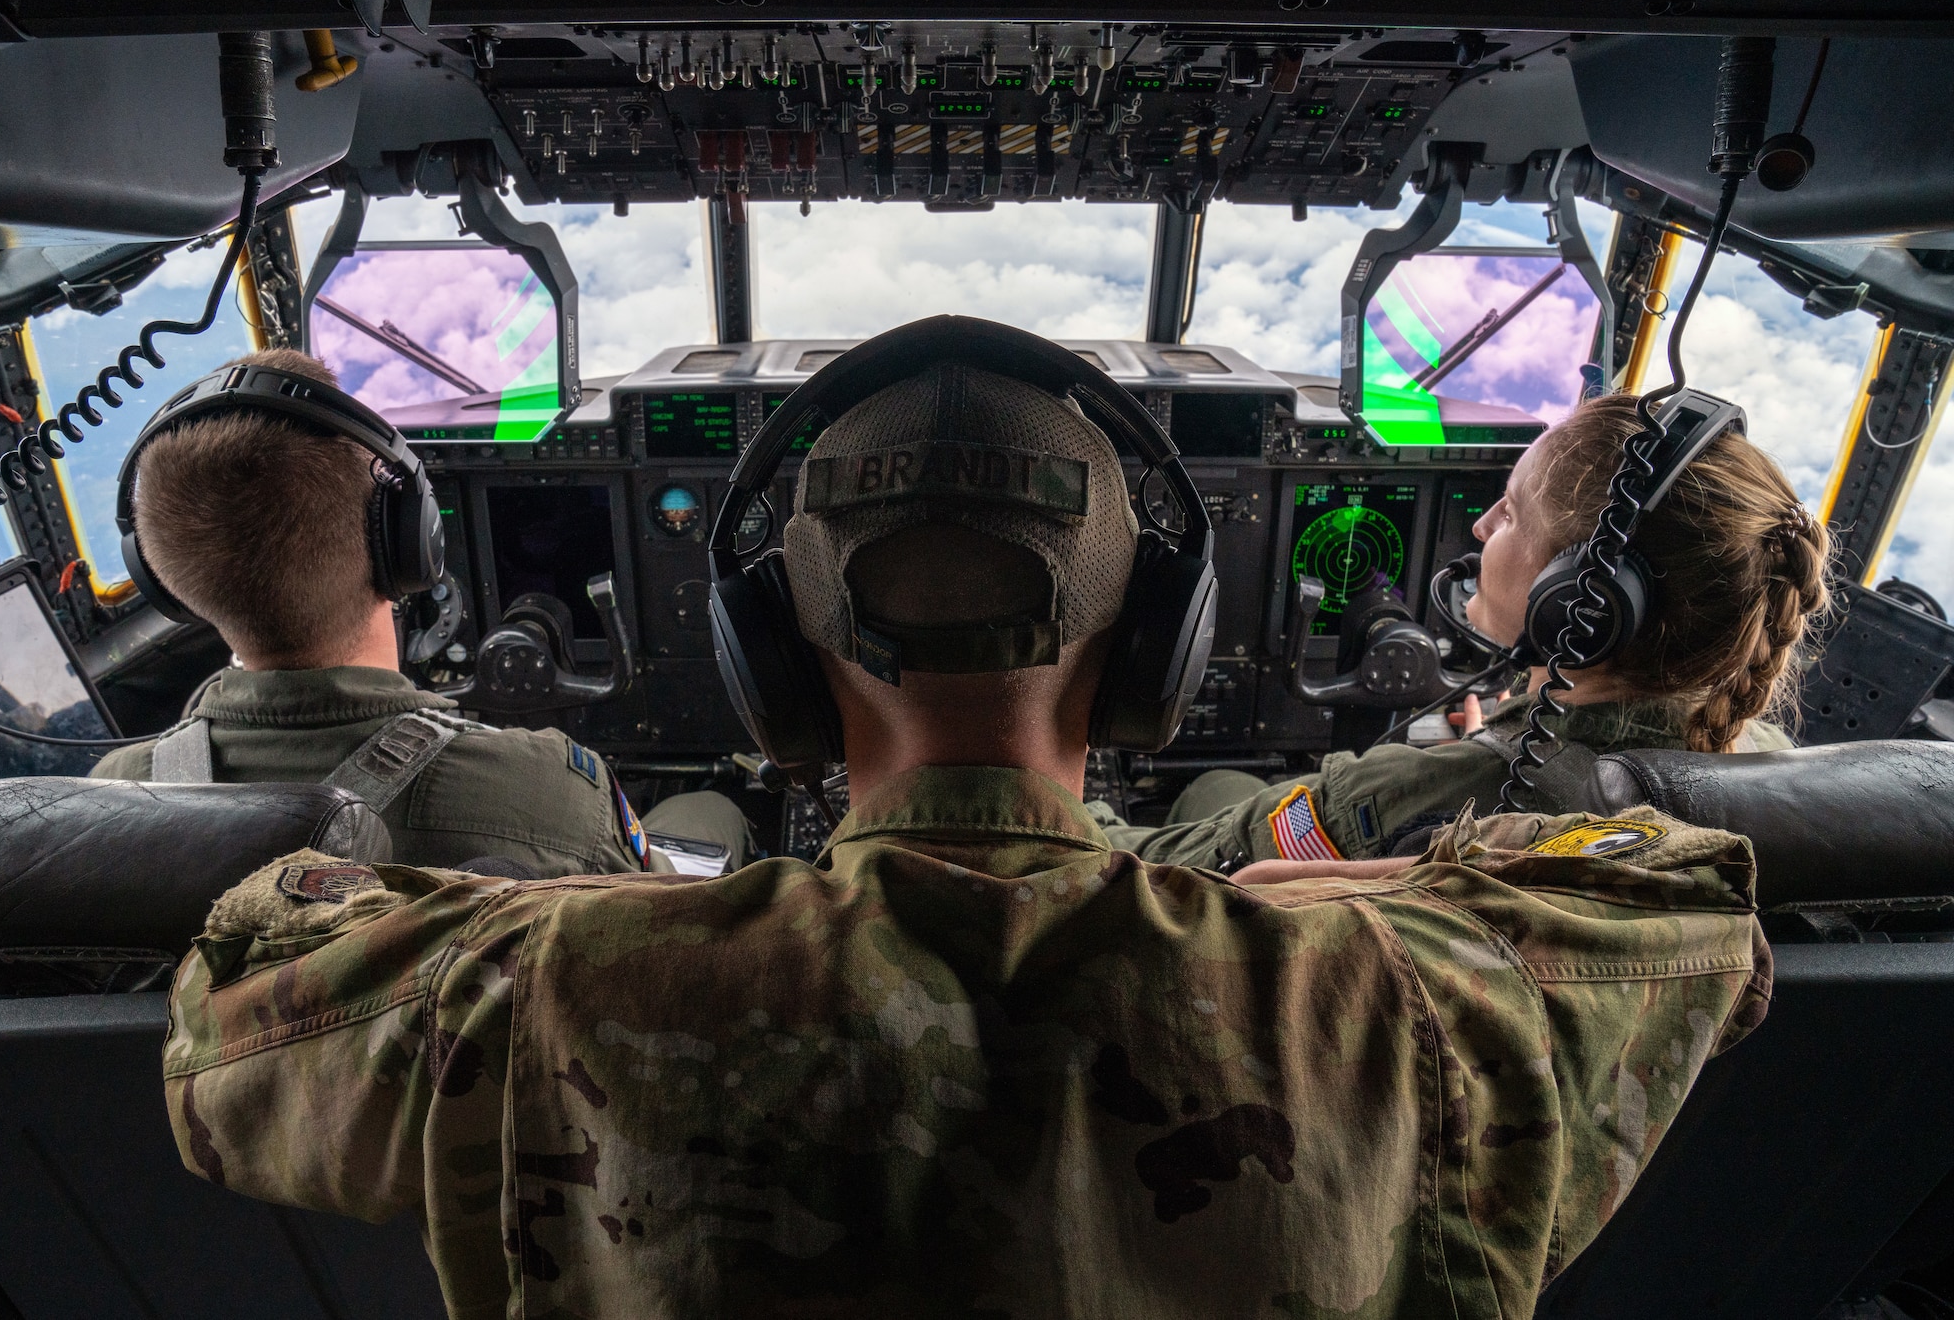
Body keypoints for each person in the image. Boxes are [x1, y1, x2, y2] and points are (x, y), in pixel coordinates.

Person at [162, 347, 1770, 1319]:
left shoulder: (541, 991)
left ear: (771, 664)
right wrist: (1329, 889)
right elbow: (1683, 888)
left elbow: (232, 989)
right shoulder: (1399, 997)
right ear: (1160, 656)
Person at [1104, 392, 1830, 871]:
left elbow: (1144, 869)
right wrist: (1511, 738)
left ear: (1583, 599)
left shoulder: (1424, 794)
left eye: (1511, 514)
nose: (1481, 528)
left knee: (1215, 787)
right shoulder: (1775, 769)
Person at [94, 347, 748, 878]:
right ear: (410, 543)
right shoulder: (549, 794)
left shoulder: (111, 803)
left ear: (164, 581)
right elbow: (663, 912)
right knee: (712, 807)